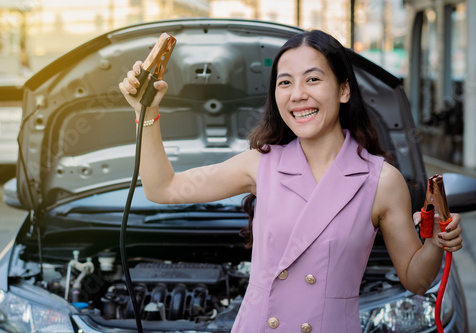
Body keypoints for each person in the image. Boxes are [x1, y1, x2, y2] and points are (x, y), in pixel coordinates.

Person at [119, 30, 463, 332]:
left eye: (313, 79)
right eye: (285, 82)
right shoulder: (260, 164)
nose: (297, 94)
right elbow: (162, 188)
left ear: (344, 90)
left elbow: (416, 281)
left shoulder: (381, 181)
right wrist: (146, 112)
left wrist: (435, 241)